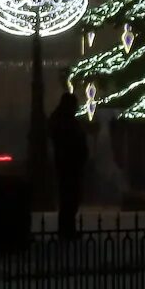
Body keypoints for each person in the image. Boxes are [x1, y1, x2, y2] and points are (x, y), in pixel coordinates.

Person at [48, 91, 87, 241]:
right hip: (69, 165)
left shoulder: (61, 120)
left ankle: (67, 229)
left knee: (69, 200)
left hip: (69, 165)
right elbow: (72, 143)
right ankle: (67, 231)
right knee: (69, 199)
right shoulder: (66, 122)